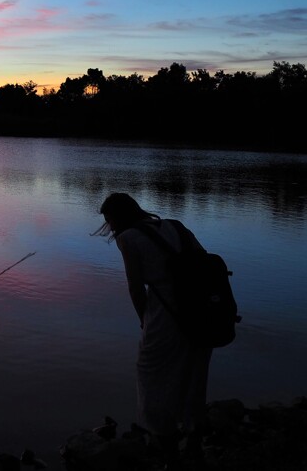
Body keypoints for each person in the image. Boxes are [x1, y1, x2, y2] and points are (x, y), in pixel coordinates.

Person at [98, 192, 211, 467]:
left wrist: (144, 321)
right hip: (202, 310)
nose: (110, 227)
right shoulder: (175, 225)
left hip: (165, 314)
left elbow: (136, 288)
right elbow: (203, 261)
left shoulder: (128, 239)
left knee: (151, 375)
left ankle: (168, 448)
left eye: (110, 220)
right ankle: (194, 442)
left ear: (118, 217)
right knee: (193, 374)